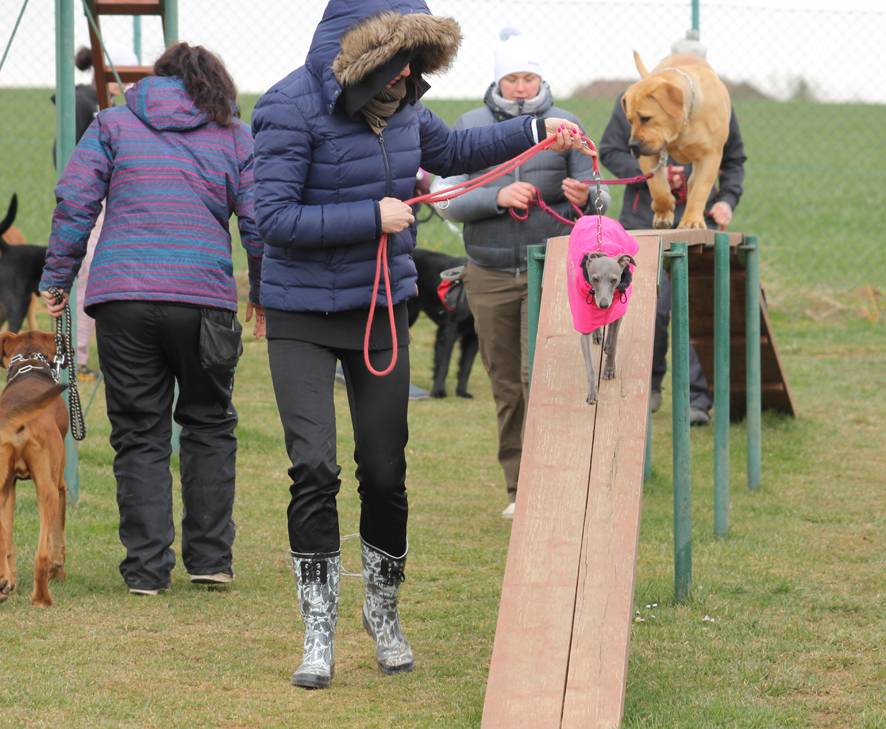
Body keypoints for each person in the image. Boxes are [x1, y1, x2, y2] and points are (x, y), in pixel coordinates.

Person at [250, 0, 586, 690]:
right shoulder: (289, 106)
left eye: (417, 61)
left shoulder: (404, 104)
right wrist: (370, 215)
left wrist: (538, 128)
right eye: (398, 61)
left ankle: (383, 610)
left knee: (385, 469)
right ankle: (318, 631)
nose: (407, 76)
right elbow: (273, 218)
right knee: (313, 468)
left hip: (379, 306)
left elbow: (456, 152)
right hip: (301, 314)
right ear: (361, 53)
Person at [40, 43, 264, 596]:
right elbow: (258, 217)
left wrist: (57, 275)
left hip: (123, 297)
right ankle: (211, 559)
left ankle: (145, 569)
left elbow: (76, 199)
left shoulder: (113, 123)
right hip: (204, 298)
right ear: (215, 83)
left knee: (139, 430)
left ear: (158, 80)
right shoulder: (233, 133)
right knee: (209, 423)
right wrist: (261, 288)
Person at [431, 27, 611, 518]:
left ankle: (554, 478)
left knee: (542, 377)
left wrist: (585, 197)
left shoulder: (565, 124)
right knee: (505, 383)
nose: (521, 87)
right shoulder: (466, 125)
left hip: (548, 270)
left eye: (529, 77)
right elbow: (445, 200)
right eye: (512, 78)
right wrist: (496, 197)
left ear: (540, 79)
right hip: (486, 272)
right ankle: (518, 487)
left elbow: (601, 194)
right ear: (498, 82)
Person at [598, 30, 746, 426]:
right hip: (642, 218)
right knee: (649, 309)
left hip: (700, 221)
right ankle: (647, 390)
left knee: (700, 310)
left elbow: (733, 159)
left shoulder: (715, 103)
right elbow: (614, 148)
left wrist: (727, 200)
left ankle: (699, 400)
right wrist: (652, 175)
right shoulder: (637, 100)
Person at [52, 42, 140, 382]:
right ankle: (75, 357)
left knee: (97, 276)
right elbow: (66, 157)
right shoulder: (82, 103)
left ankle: (88, 354)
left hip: (106, 204)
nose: (128, 85)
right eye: (123, 76)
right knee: (84, 276)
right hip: (88, 203)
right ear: (107, 70)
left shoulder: (108, 106)